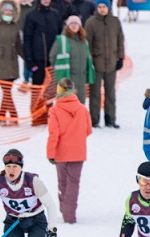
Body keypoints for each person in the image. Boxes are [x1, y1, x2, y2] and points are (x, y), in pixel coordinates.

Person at [46, 79, 92, 224]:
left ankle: (65, 211)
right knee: (74, 182)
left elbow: (53, 134)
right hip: (78, 152)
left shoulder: (55, 110)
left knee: (62, 182)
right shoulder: (83, 109)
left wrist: (50, 154)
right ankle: (69, 213)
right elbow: (88, 130)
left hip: (61, 152)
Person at [85, 0, 124, 128]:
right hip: (96, 64)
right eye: (100, 7)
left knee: (110, 94)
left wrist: (120, 58)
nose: (102, 9)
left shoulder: (115, 22)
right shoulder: (91, 23)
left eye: (104, 7)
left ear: (108, 7)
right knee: (95, 94)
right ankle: (94, 120)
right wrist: (89, 61)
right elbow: (87, 44)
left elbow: (120, 40)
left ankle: (110, 119)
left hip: (111, 64)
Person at [0, 0, 24, 126]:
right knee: (6, 91)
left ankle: (1, 117)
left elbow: (19, 46)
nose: (8, 13)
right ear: (1, 12)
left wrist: (28, 60)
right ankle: (14, 116)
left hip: (12, 63)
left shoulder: (15, 27)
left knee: (7, 91)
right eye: (6, 11)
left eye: (10, 11)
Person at [49, 15, 95, 104]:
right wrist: (60, 70)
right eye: (71, 24)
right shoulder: (62, 40)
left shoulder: (84, 42)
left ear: (80, 26)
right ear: (67, 26)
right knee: (66, 105)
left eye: (76, 24)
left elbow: (87, 59)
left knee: (80, 105)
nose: (74, 26)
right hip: (67, 79)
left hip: (81, 80)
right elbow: (52, 56)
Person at [24, 0, 62, 87]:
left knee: (51, 90)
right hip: (38, 60)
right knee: (37, 90)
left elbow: (60, 36)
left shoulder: (55, 14)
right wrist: (29, 60)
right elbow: (27, 39)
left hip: (53, 60)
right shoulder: (31, 15)